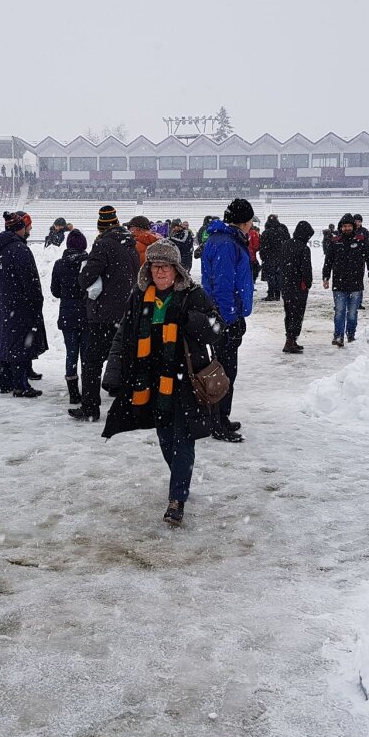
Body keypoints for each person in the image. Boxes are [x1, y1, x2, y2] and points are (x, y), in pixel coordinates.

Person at [100, 240, 223, 526]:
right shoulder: (141, 296)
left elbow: (217, 328)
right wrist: (114, 370)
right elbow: (123, 335)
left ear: (177, 270)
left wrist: (189, 319)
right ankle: (180, 478)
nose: (160, 273)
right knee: (166, 438)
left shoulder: (193, 295)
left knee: (182, 438)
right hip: (151, 380)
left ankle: (177, 497)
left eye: (165, 267)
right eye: (155, 267)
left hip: (184, 381)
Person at [70, 206, 139, 422]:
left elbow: (85, 279)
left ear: (102, 226)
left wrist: (85, 272)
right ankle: (128, 406)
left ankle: (90, 407)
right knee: (124, 359)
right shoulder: (130, 244)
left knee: (92, 362)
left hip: (105, 314)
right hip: (126, 312)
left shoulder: (103, 245)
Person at [201, 198, 255, 443]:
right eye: (250, 221)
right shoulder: (225, 243)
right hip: (225, 316)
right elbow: (222, 285)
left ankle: (221, 416)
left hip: (228, 314)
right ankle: (217, 421)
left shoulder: (229, 239)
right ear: (243, 222)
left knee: (225, 370)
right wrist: (228, 319)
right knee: (223, 372)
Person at [0, 211, 48, 398]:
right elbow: (30, 281)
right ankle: (20, 385)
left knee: (5, 339)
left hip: (3, 301)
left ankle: (5, 380)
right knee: (21, 344)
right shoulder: (19, 250)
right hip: (20, 303)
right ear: (19, 228)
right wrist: (36, 301)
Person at [322, 213, 369, 346]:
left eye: (349, 226)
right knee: (339, 311)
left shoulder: (361, 240)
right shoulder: (335, 241)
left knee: (352, 313)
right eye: (344, 226)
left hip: (356, 283)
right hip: (339, 283)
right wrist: (326, 277)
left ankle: (350, 335)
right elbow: (328, 261)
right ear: (341, 228)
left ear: (353, 227)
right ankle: (338, 335)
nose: (347, 228)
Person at [50, 229, 89, 405]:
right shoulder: (89, 263)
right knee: (88, 356)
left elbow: (55, 291)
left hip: (67, 314)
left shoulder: (59, 264)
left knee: (71, 354)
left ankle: (73, 393)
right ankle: (89, 390)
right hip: (87, 315)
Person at [280, 221, 314, 354]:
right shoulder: (304, 248)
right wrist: (308, 283)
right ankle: (291, 341)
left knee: (289, 313)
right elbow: (306, 269)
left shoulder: (285, 245)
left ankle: (290, 339)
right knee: (297, 314)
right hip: (299, 286)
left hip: (286, 285)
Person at [258, 214, 290, 302]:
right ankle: (277, 294)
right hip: (280, 257)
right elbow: (287, 242)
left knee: (271, 276)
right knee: (279, 276)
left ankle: (271, 294)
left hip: (270, 257)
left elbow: (263, 246)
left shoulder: (266, 232)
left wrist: (263, 256)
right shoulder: (282, 230)